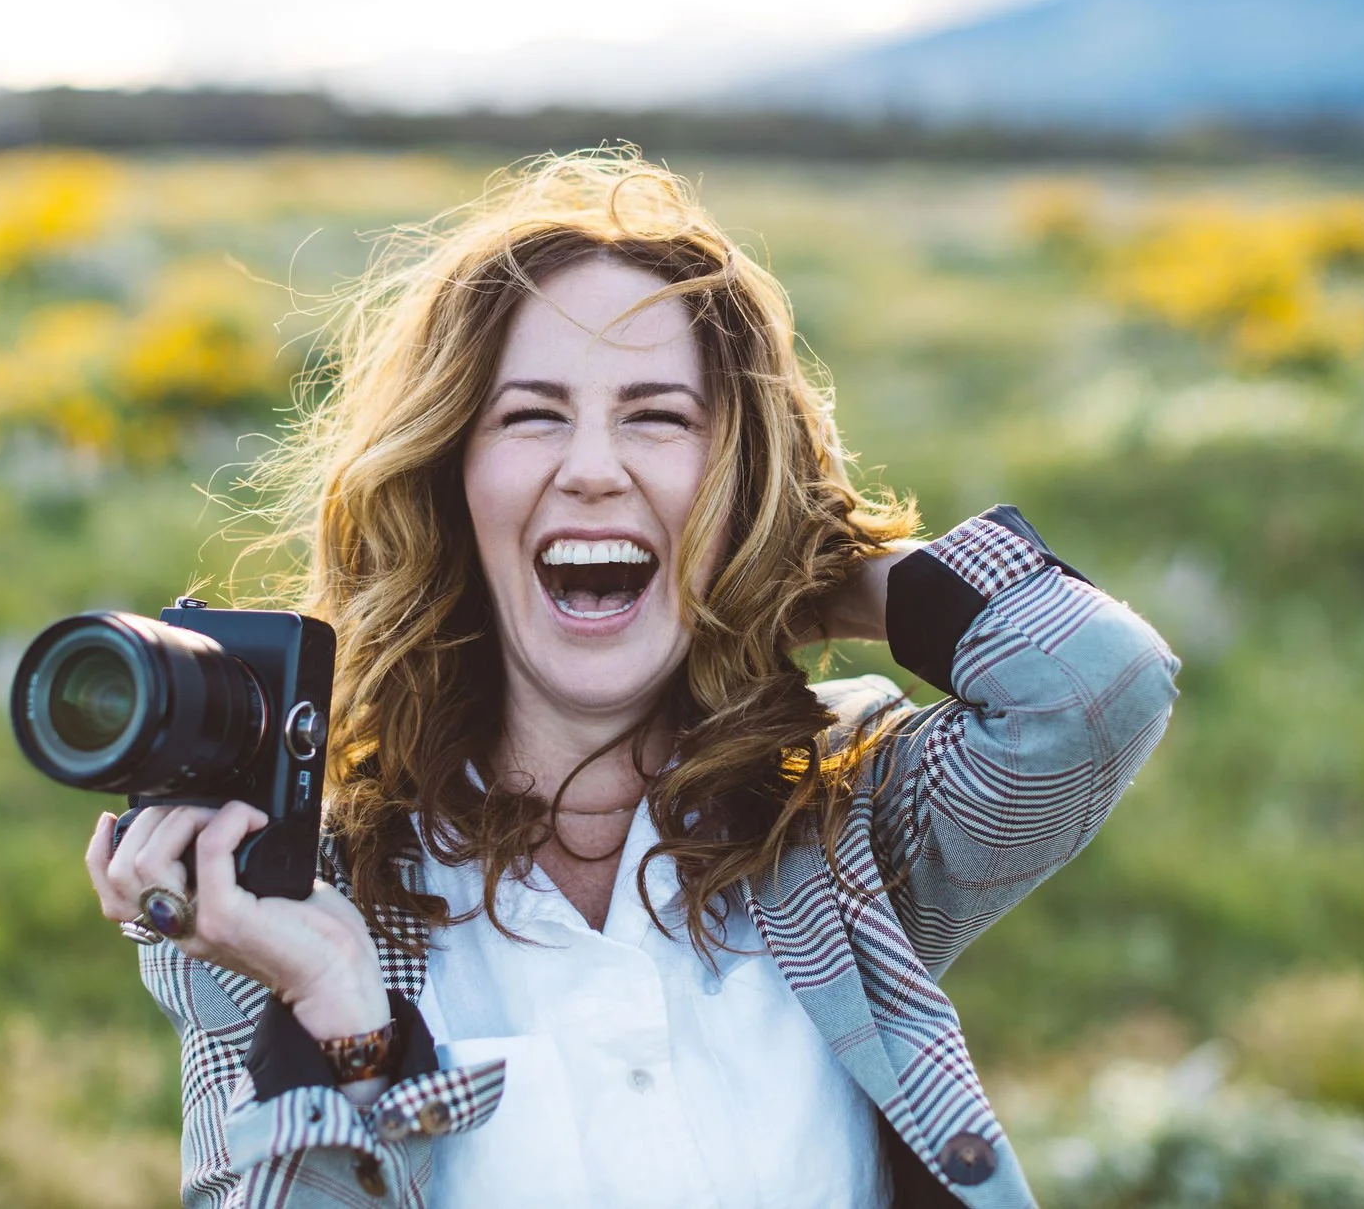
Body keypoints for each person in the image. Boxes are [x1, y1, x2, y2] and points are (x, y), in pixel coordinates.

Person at [83, 153, 1180, 1209]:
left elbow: (1096, 686)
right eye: (532, 414)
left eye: (657, 417)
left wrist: (809, 563)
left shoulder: (846, 828)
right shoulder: (297, 895)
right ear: (449, 482)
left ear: (735, 483)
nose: (595, 468)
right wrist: (339, 1024)